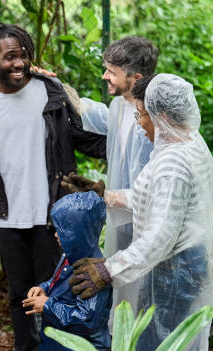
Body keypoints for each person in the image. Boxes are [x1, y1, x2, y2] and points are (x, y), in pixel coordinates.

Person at [0, 14, 106, 351]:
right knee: (19, 292)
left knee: (55, 290)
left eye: (23, 54)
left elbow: (77, 136)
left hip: (50, 213)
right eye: (10, 57)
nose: (19, 63)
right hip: (5, 215)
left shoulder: (48, 91)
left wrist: (125, 145)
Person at [67, 74, 213, 351]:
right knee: (189, 350)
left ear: (162, 116)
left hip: (174, 271)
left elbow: (158, 239)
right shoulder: (191, 143)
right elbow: (156, 199)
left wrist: (109, 270)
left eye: (142, 115)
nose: (139, 124)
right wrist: (105, 192)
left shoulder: (171, 163)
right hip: (195, 263)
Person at [71, 36, 158, 323]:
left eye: (112, 71)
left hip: (152, 225)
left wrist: (106, 195)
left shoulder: (155, 117)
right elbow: (98, 116)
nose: (105, 75)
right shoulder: (120, 106)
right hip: (122, 218)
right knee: (125, 298)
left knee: (149, 298)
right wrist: (63, 90)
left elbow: (156, 191)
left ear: (136, 77)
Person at [23, 191, 111, 351]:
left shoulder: (93, 273)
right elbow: (57, 283)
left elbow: (86, 319)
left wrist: (48, 306)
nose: (55, 234)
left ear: (79, 234)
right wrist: (43, 288)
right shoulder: (68, 257)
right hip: (59, 348)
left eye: (62, 230)